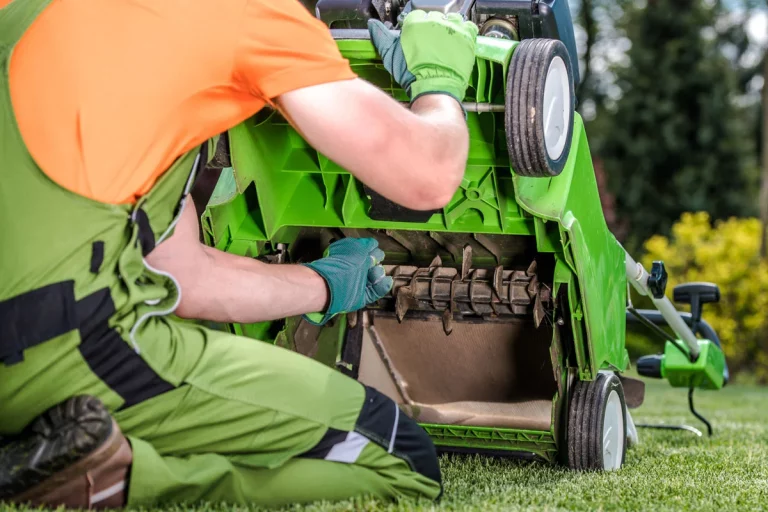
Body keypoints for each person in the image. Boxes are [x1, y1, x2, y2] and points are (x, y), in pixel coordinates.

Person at [0, 0, 479, 508]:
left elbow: (180, 274)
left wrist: (325, 282)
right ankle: (122, 483)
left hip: (37, 329)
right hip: (54, 352)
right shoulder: (247, 12)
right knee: (402, 459)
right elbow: (429, 174)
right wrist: (439, 82)